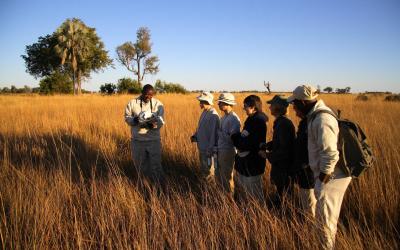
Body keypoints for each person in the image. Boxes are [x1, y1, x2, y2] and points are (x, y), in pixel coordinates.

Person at [287, 85, 352, 250]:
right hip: (327, 174)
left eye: (294, 103)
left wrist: (323, 178)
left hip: (331, 177)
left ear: (302, 102)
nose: (293, 107)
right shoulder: (315, 116)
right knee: (323, 219)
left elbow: (330, 153)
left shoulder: (322, 119)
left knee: (325, 222)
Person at [260, 95, 295, 207]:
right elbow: (280, 142)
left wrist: (267, 155)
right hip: (281, 167)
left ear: (277, 107)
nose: (269, 108)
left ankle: (286, 218)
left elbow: (285, 150)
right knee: (281, 194)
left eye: (271, 105)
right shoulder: (281, 122)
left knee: (285, 196)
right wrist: (268, 145)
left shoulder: (284, 124)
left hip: (284, 168)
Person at [231, 95, 268, 203]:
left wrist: (234, 137)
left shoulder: (258, 121)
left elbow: (247, 143)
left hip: (252, 164)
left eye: (245, 106)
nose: (244, 109)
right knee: (246, 191)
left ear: (253, 107)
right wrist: (238, 138)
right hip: (246, 163)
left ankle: (258, 216)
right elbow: (244, 138)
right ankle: (248, 214)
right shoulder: (252, 119)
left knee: (255, 194)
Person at [124, 84, 165, 183]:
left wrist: (154, 125)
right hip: (137, 141)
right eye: (147, 95)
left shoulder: (158, 104)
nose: (149, 97)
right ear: (142, 92)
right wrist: (136, 119)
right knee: (140, 165)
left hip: (154, 140)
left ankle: (158, 186)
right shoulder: (132, 103)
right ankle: (144, 186)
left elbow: (161, 121)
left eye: (151, 95)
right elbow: (127, 118)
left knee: (156, 165)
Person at [191, 92, 220, 180]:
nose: (200, 104)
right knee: (204, 170)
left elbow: (214, 135)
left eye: (202, 102)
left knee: (210, 172)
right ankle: (205, 189)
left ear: (208, 102)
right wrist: (195, 136)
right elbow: (200, 128)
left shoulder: (213, 115)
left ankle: (210, 191)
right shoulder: (205, 112)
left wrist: (210, 150)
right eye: (200, 102)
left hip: (209, 151)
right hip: (202, 148)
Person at [215, 93, 241, 193]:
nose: (218, 104)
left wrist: (219, 132)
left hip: (228, 151)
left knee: (227, 177)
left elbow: (233, 139)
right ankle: (223, 198)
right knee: (221, 176)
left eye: (220, 102)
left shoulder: (234, 119)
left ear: (227, 103)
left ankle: (230, 200)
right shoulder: (224, 117)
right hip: (221, 150)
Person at [292, 115, 316, 217]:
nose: (294, 109)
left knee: (310, 203)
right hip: (304, 172)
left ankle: (312, 227)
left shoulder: (314, 122)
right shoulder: (306, 122)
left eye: (296, 105)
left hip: (310, 174)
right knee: (306, 202)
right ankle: (309, 225)